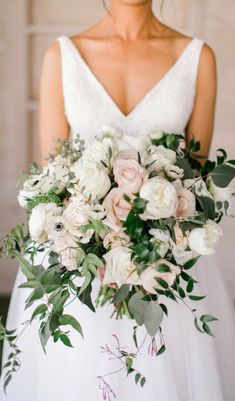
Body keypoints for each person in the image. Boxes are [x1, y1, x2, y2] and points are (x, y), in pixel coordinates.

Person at [1, 1, 235, 400]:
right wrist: (90, 238)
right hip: (77, 264)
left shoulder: (198, 56)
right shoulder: (61, 56)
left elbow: (194, 185)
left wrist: (151, 237)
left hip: (165, 264)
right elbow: (51, 178)